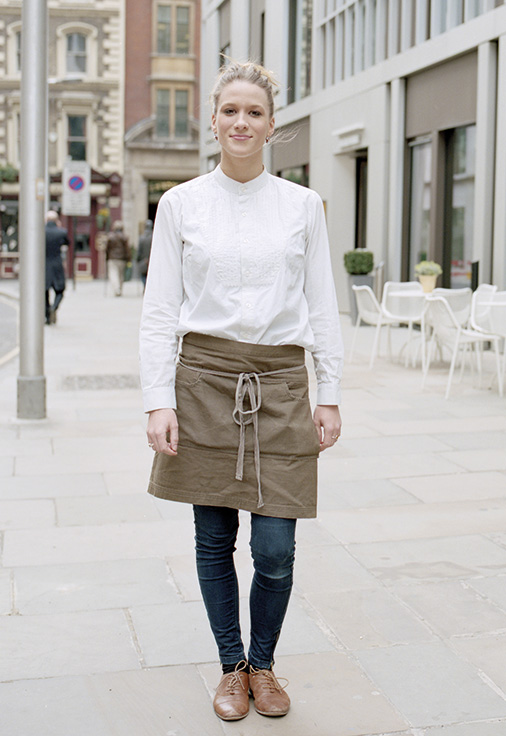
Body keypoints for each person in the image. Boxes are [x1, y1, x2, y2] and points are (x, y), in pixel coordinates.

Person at [139, 61, 343, 722]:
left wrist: (329, 392)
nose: (241, 123)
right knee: (212, 538)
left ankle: (265, 662)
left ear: (272, 125)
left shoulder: (302, 206)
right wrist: (157, 399)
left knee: (275, 549)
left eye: (254, 112)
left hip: (281, 384)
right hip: (201, 382)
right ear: (215, 119)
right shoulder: (181, 204)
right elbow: (160, 311)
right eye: (231, 110)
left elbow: (322, 305)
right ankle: (233, 668)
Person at [45, 210, 69, 325]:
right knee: (60, 290)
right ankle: (54, 307)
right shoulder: (61, 232)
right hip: (57, 264)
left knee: (44, 291)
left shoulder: (41, 232)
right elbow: (67, 244)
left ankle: (47, 314)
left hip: (44, 266)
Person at [106, 220, 130, 296]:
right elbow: (127, 249)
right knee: (120, 275)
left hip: (112, 258)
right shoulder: (124, 237)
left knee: (113, 274)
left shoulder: (110, 237)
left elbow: (107, 249)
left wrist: (107, 257)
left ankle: (117, 289)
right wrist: (128, 258)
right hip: (122, 259)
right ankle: (120, 289)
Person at [136, 219, 153, 291]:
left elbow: (139, 250)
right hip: (151, 259)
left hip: (143, 259)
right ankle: (147, 287)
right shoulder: (154, 236)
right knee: (150, 275)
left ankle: (145, 286)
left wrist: (138, 258)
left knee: (143, 275)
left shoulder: (141, 238)